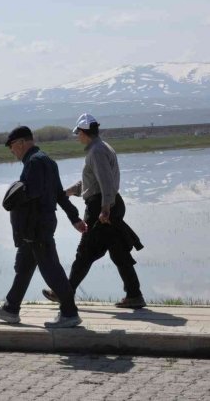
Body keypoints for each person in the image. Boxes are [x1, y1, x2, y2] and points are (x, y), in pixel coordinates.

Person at [42, 114, 146, 309]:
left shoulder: (96, 152)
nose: (77, 137)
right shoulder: (101, 148)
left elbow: (105, 183)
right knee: (118, 252)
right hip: (108, 203)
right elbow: (93, 183)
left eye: (78, 133)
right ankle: (134, 294)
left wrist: (105, 209)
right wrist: (69, 191)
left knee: (85, 252)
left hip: (101, 207)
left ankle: (63, 292)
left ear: (83, 132)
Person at [0, 126, 87, 328]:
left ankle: (69, 313)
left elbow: (31, 194)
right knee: (24, 267)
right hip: (35, 227)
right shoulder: (47, 161)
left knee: (51, 269)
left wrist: (13, 197)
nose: (11, 150)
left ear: (23, 142)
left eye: (12, 146)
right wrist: (74, 218)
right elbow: (59, 194)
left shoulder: (34, 163)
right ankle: (11, 308)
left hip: (36, 227)